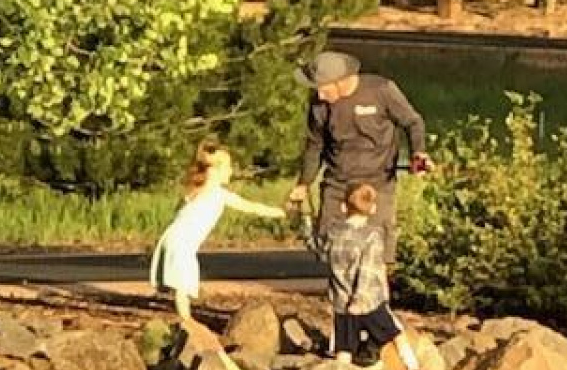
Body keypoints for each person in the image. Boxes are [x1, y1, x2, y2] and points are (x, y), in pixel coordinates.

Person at [150, 141, 286, 369]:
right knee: (184, 281)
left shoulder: (195, 192)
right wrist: (279, 212)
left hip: (174, 238)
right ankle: (186, 319)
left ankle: (186, 318)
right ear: (215, 170)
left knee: (183, 280)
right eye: (228, 167)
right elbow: (250, 207)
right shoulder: (217, 194)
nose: (231, 171)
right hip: (182, 241)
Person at [290, 51, 432, 265]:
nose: (320, 95)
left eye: (324, 88)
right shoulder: (319, 106)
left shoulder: (381, 90)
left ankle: (377, 284)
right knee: (331, 248)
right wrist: (303, 183)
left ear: (341, 81)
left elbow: (413, 122)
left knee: (379, 252)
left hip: (377, 184)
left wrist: (418, 153)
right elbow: (314, 145)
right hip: (337, 184)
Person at [307, 183, 420, 370]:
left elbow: (317, 247)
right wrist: (359, 299)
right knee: (395, 334)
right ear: (373, 209)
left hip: (342, 302)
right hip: (369, 302)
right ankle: (413, 365)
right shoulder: (372, 237)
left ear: (343, 207)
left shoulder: (334, 233)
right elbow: (367, 270)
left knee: (344, 348)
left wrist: (305, 223)